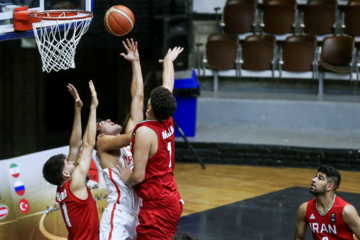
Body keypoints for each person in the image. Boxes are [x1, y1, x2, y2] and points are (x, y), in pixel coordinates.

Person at [114, 46, 184, 240]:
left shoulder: (145, 132)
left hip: (158, 206)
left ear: (150, 107)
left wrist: (127, 177)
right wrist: (169, 60)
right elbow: (168, 84)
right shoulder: (166, 115)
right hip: (168, 198)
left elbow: (138, 176)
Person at [95, 38, 144, 240]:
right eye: (103, 122)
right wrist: (152, 127)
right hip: (119, 214)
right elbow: (136, 133)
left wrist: (135, 62)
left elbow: (138, 98)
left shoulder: (130, 142)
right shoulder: (102, 144)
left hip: (140, 214)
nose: (108, 119)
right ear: (100, 134)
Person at [42, 80, 99, 240]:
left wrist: (78, 109)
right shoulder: (75, 184)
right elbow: (88, 145)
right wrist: (93, 106)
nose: (72, 161)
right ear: (66, 173)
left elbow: (75, 146)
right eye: (68, 162)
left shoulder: (64, 186)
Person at [294, 165, 360, 240]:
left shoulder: (346, 211)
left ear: (329, 186)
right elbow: (298, 238)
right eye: (315, 176)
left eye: (320, 178)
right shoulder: (304, 209)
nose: (313, 179)